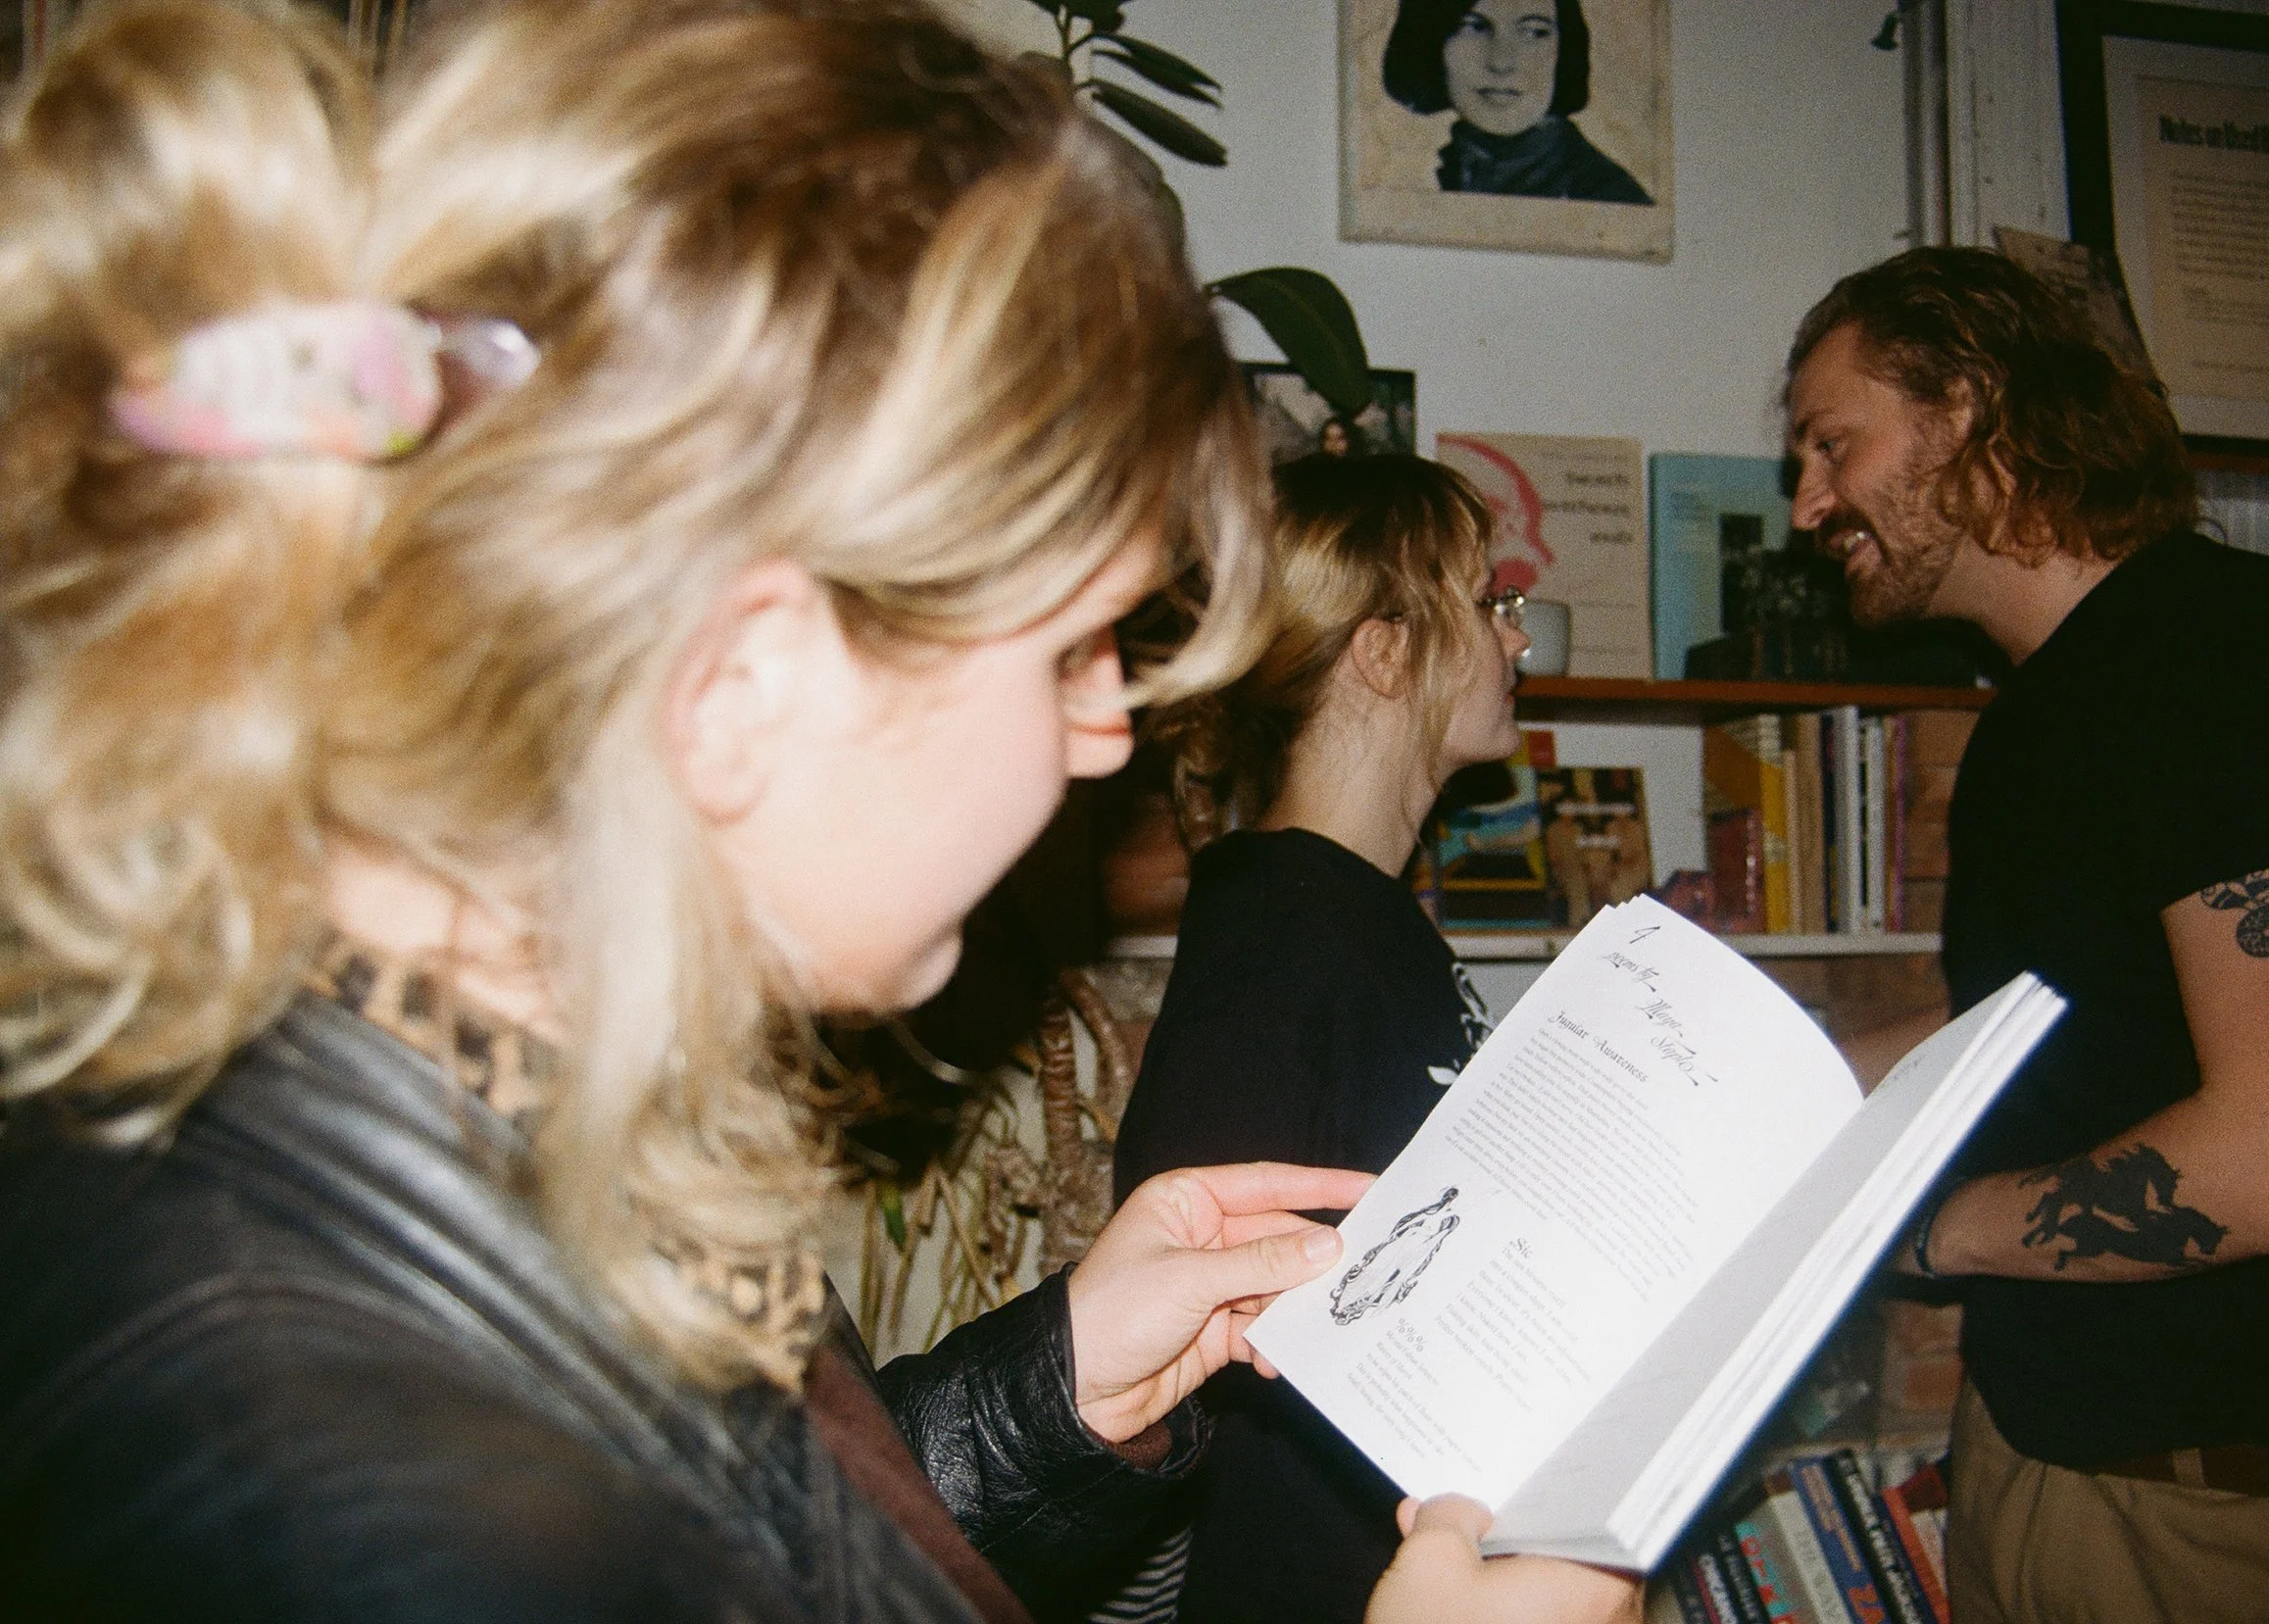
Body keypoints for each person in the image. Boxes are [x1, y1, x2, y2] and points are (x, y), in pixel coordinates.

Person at [0, 6, 1634, 1622]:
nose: (1101, 741)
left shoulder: (516, 1117)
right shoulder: (347, 1483)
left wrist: (1051, 1393)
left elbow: (732, 1547)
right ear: (740, 684)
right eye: (1072, 650)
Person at [1782, 246, 2269, 1624]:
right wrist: (1757, 1082)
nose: (1807, 504)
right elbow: (2051, 1009)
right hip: (2048, 1456)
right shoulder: (2046, 707)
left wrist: (1920, 1229)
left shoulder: (2240, 658)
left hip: (2222, 1516)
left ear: (1968, 408)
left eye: (1832, 445)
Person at [1116, 455, 1590, 1624]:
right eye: (1488, 603)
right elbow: (1217, 1349)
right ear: (1383, 652)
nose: (1518, 637)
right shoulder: (1281, 938)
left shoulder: (1362, 917)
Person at [1380, 0, 1652, 205]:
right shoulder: (1455, 170)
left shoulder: (1608, 196)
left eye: (1534, 32)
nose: (1501, 63)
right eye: (1474, 27)